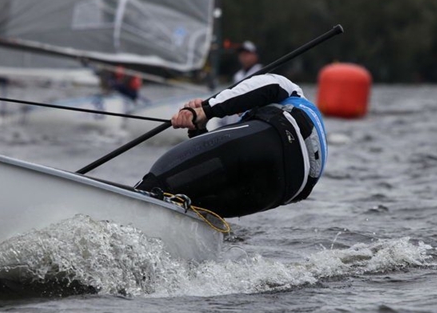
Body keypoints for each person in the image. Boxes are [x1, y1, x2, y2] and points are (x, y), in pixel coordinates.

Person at [136, 73, 328, 218]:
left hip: (286, 136)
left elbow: (265, 86)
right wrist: (199, 127)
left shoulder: (291, 91)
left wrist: (205, 109)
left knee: (160, 181)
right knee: (190, 202)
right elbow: (211, 166)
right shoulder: (251, 127)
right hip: (287, 188)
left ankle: (138, 198)